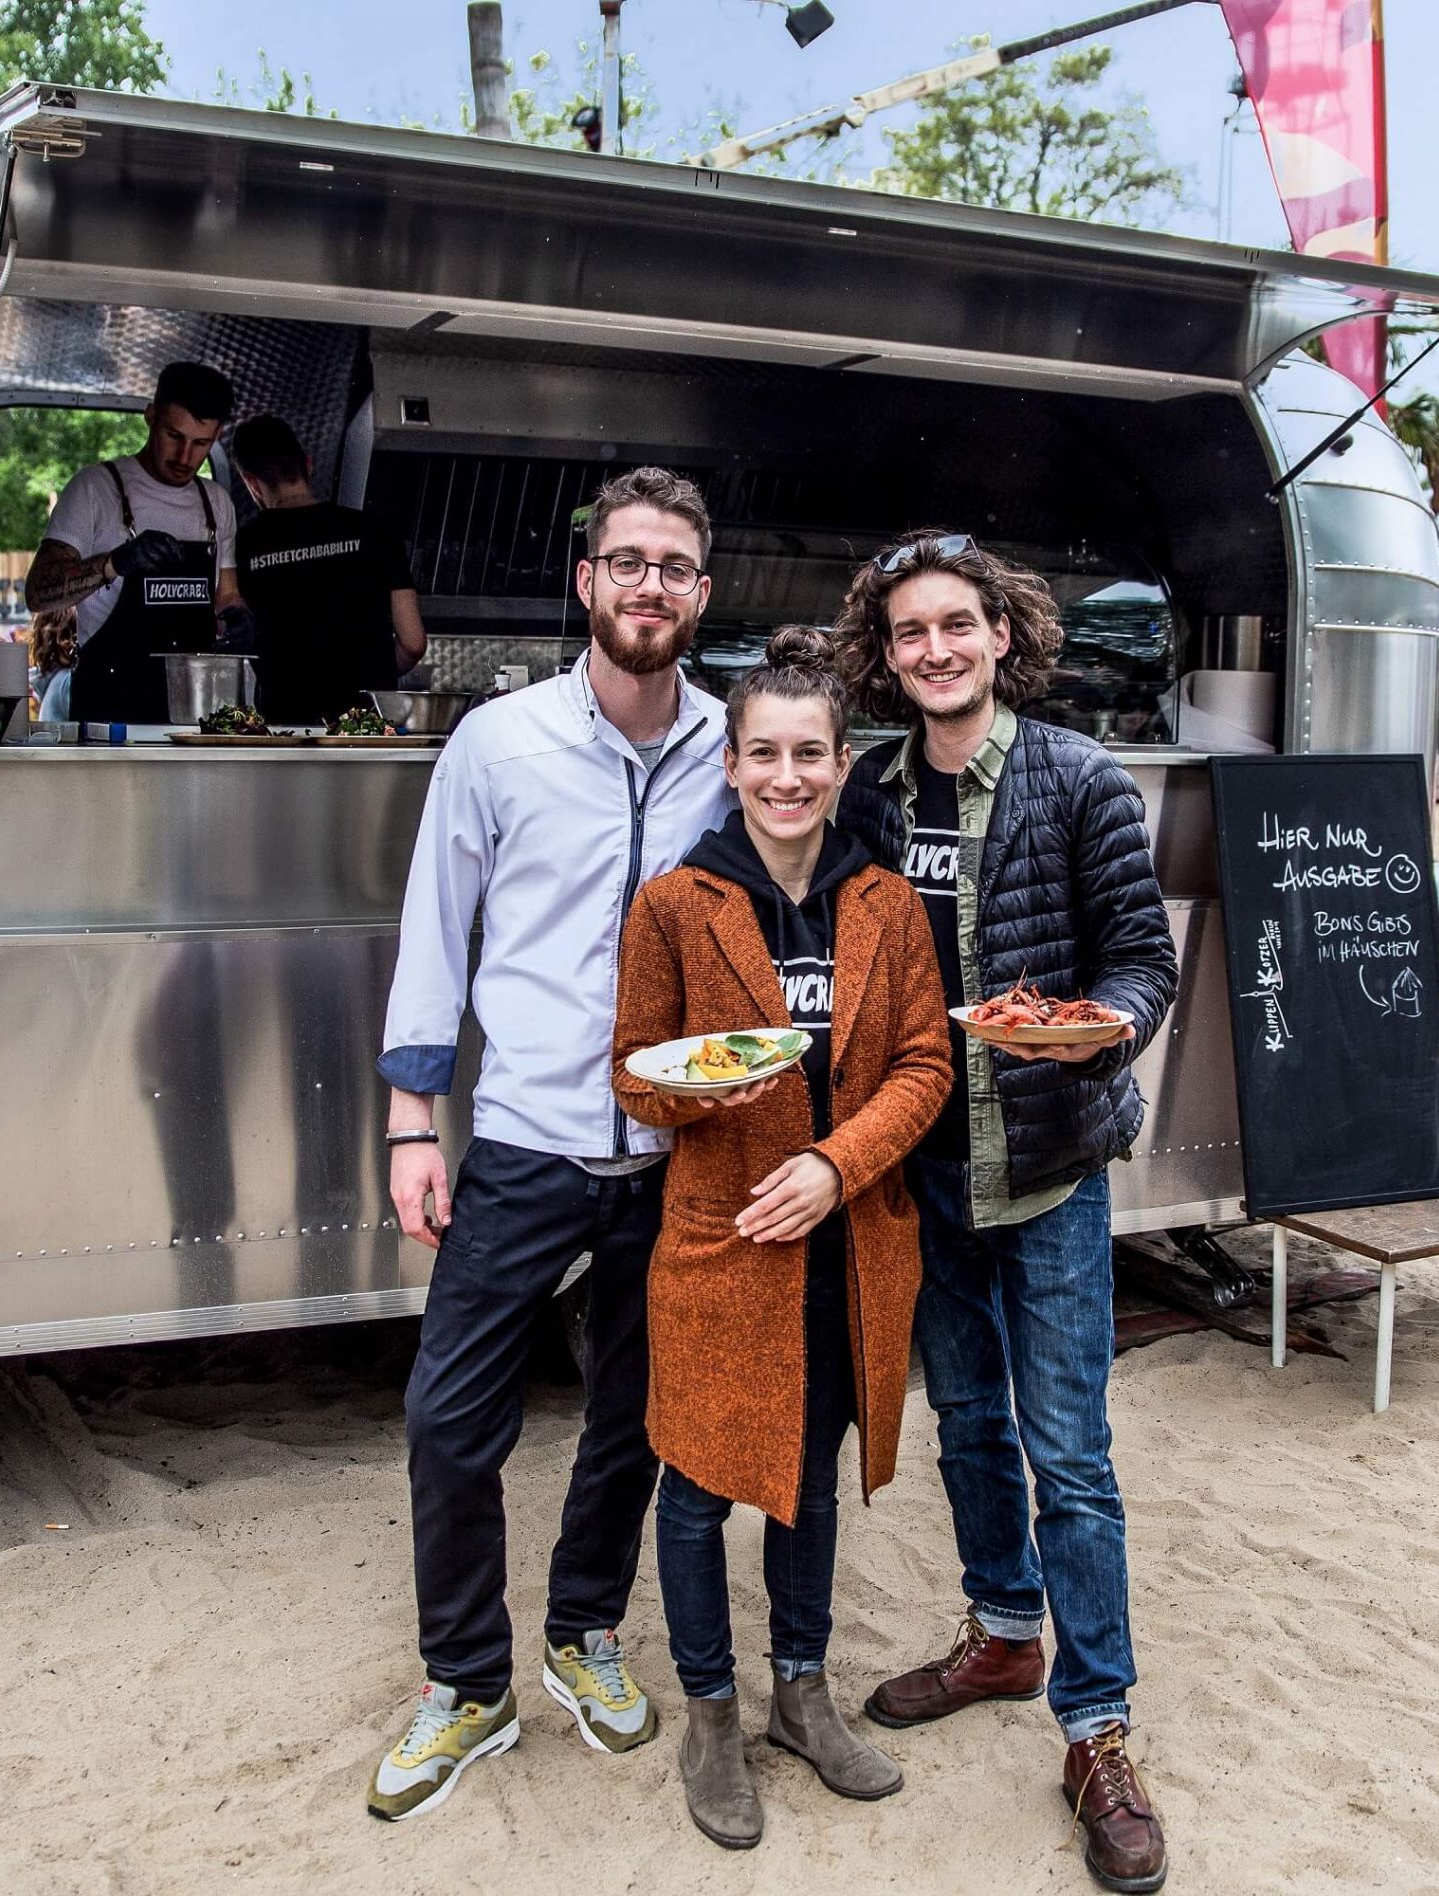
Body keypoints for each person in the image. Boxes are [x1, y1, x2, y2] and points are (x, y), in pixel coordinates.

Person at [368, 466, 733, 1822]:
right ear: (586, 583)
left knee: (632, 1416)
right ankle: (466, 1685)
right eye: (625, 561)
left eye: (674, 567)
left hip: (675, 1154)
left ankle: (583, 1634)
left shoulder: (731, 748)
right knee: (448, 1418)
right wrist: (416, 1117)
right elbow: (435, 932)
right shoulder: (498, 741)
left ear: (703, 592)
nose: (648, 587)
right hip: (523, 1139)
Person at [829, 531, 1180, 1895]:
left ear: (1001, 633)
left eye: (956, 625)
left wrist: (1098, 1033)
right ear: (888, 651)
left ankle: (1096, 1732)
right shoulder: (870, 790)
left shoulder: (1078, 777)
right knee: (969, 1423)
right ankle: (1002, 1629)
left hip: (1047, 1169)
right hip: (928, 1176)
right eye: (910, 631)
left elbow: (1141, 960)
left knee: (1072, 1452)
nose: (935, 648)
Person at [610, 627, 953, 1851]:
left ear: (844, 763)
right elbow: (635, 1075)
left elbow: (924, 1067)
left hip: (843, 1243)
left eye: (810, 753)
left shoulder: (886, 905)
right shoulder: (677, 906)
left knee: (808, 1483)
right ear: (732, 764)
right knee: (700, 1490)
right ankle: (713, 1715)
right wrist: (701, 1090)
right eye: (765, 754)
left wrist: (832, 1164)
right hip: (718, 1241)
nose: (788, 777)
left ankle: (800, 1694)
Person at [24, 361, 242, 726]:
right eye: (174, 436)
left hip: (192, 716)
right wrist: (114, 563)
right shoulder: (96, 489)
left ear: (216, 435)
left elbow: (227, 595)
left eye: (201, 443)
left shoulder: (216, 502)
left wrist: (237, 618)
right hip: (110, 715)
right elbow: (38, 593)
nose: (185, 457)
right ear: (151, 416)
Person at [218, 413, 427, 726]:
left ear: (251, 482)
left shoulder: (245, 543)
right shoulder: (373, 530)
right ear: (308, 464)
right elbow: (413, 642)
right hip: (364, 726)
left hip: (286, 724)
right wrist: (373, 671)